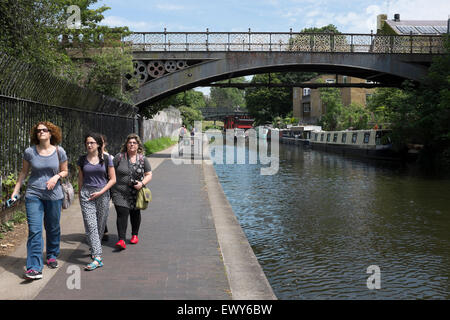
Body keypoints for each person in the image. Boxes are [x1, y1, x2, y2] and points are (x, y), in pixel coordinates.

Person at [11, 121, 68, 280]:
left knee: (53, 227)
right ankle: (34, 268)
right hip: (33, 194)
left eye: (44, 130)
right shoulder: (30, 152)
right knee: (35, 231)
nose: (41, 132)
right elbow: (23, 173)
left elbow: (65, 171)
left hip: (54, 195)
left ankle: (51, 254)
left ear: (51, 133)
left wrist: (56, 177)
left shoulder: (59, 151)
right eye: (38, 131)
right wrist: (16, 191)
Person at [77, 133, 116, 270]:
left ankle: (95, 247)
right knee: (91, 225)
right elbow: (80, 178)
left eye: (92, 143)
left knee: (100, 225)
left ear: (99, 144)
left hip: (102, 193)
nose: (89, 145)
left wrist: (101, 191)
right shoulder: (82, 159)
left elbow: (112, 179)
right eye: (87, 143)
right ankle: (97, 257)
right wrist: (80, 194)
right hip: (87, 194)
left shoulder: (106, 159)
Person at [111, 134, 152, 250]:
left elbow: (149, 174)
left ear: (138, 145)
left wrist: (142, 184)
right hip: (119, 192)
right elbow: (111, 172)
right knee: (122, 214)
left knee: (135, 213)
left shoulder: (143, 159)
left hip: (136, 192)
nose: (132, 144)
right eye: (130, 142)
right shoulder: (119, 157)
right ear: (126, 144)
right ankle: (121, 240)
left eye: (134, 143)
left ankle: (134, 234)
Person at [100, 134, 113, 241]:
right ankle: (100, 230)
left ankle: (103, 229)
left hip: (106, 188)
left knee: (102, 211)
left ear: (105, 144)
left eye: (101, 142)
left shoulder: (109, 157)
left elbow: (113, 175)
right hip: (91, 188)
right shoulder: (87, 157)